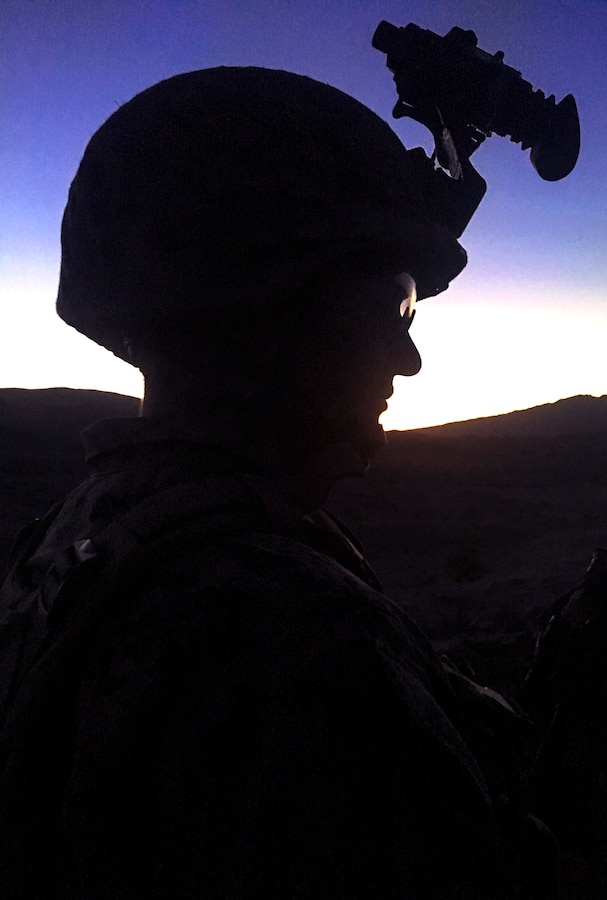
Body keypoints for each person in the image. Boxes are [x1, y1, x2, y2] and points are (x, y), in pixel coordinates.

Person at [0, 67, 557, 899]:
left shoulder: (73, 537)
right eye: (396, 303)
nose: (407, 356)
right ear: (266, 300)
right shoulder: (300, 636)